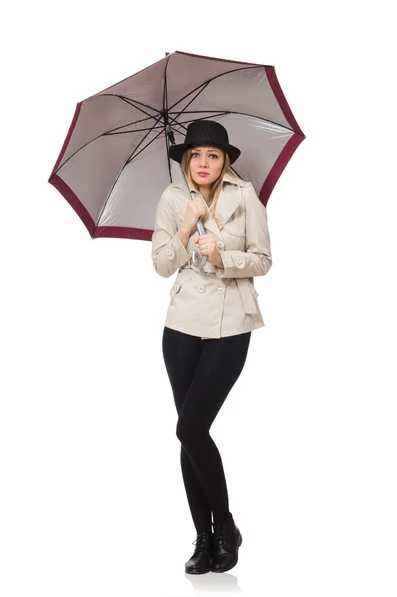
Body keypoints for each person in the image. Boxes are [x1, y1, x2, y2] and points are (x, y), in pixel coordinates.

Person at [151, 119, 272, 574]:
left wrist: (223, 256)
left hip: (231, 324)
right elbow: (162, 266)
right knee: (188, 431)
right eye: (196, 155)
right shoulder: (172, 198)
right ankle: (204, 536)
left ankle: (226, 526)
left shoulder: (246, 196)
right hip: (181, 325)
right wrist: (184, 227)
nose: (203, 163)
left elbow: (263, 260)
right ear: (186, 159)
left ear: (225, 161)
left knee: (191, 428)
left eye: (213, 156)